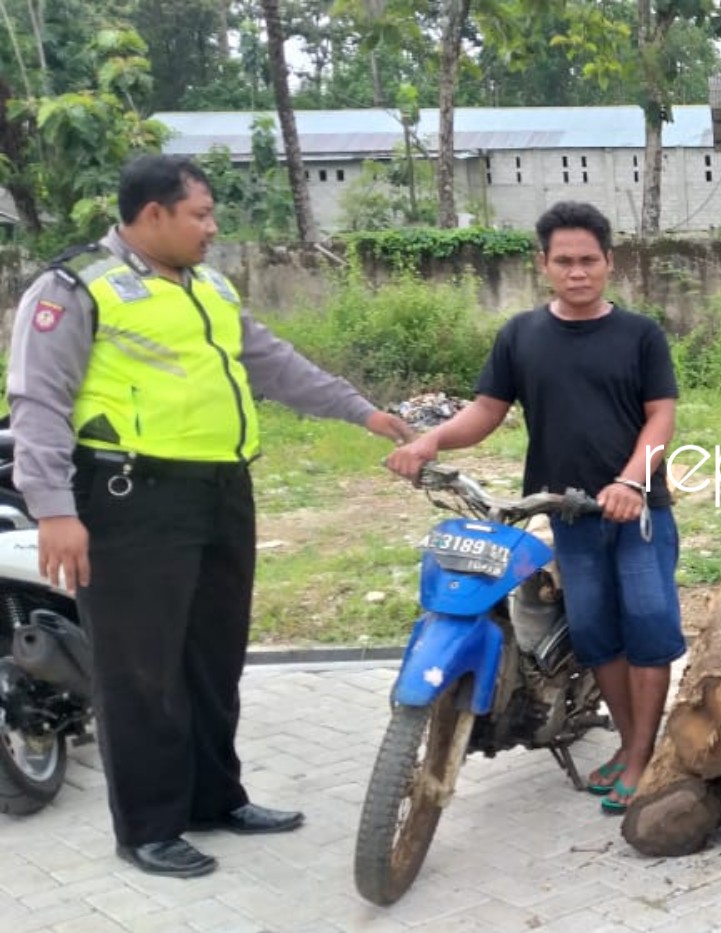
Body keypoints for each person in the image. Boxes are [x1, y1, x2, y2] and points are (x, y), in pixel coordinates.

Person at [4, 154, 415, 878]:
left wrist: (361, 411)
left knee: (213, 658)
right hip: (128, 496)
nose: (213, 227)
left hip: (220, 492)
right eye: (200, 214)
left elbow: (274, 362)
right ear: (152, 214)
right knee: (141, 669)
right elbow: (38, 400)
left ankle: (215, 799)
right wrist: (54, 509)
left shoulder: (209, 287)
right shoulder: (76, 287)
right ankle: (149, 827)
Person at [385, 201, 682, 816]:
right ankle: (632, 747)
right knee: (596, 635)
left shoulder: (640, 335)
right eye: (564, 261)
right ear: (543, 263)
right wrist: (430, 441)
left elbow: (661, 418)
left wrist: (629, 482)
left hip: (638, 512)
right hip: (569, 514)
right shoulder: (521, 336)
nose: (578, 272)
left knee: (648, 630)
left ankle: (641, 756)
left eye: (589, 260)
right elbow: (485, 412)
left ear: (609, 262)